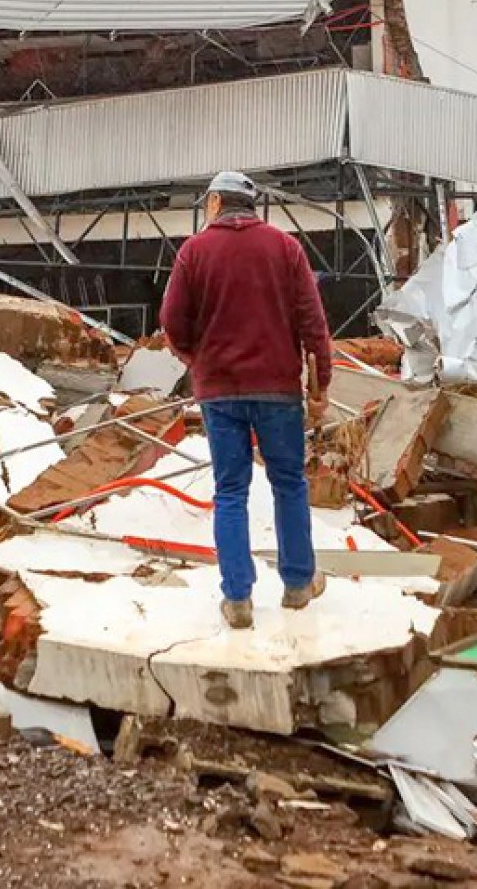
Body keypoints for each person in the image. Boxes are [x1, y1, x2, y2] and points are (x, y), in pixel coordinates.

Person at [159, 170, 333, 629]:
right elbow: (314, 325)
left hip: (219, 393)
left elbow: (172, 322)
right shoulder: (285, 248)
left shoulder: (194, 252)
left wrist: (198, 360)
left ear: (216, 202)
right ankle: (298, 585)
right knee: (289, 483)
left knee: (230, 491)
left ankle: (237, 598)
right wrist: (322, 386)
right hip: (277, 388)